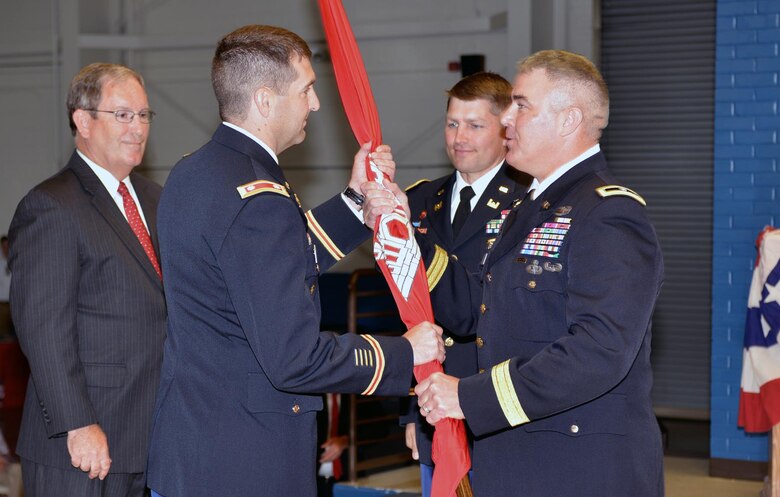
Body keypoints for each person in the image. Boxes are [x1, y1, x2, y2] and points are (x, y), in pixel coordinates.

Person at [146, 25, 444, 497]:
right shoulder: (259, 200)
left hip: (193, 452)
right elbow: (295, 359)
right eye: (306, 89)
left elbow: (268, 268)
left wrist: (355, 200)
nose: (315, 104)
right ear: (266, 100)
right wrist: (404, 352)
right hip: (248, 465)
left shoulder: (194, 173)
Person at [365, 50, 664, 497]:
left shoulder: (608, 213)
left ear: (568, 120)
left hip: (577, 471)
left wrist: (470, 397)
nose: (507, 118)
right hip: (515, 461)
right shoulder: (531, 208)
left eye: (521, 105)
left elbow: (599, 351)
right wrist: (403, 233)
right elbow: (472, 308)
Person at [8, 63, 166, 497]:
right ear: (82, 120)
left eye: (144, 115)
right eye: (122, 115)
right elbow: (43, 328)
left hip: (152, 439)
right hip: (82, 447)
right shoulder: (51, 206)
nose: (137, 128)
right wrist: (78, 423)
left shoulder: (156, 199)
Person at [399, 72, 530, 496]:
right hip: (431, 402)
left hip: (495, 400)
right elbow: (405, 310)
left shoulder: (526, 204)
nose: (459, 137)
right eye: (453, 123)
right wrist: (409, 414)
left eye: (475, 125)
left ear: (505, 130)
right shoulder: (419, 199)